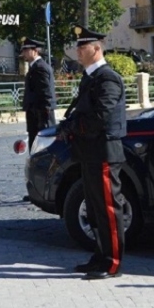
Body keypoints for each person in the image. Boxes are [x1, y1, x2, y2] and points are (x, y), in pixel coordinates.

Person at [58, 24, 126, 280]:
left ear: (96, 49)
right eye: (77, 46)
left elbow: (101, 117)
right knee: (95, 209)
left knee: (109, 209)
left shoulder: (107, 78)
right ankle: (100, 256)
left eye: (82, 46)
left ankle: (113, 263)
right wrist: (68, 125)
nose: (78, 50)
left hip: (104, 152)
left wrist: (74, 126)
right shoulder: (91, 77)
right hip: (90, 153)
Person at [20, 38, 56, 151]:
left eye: (26, 50)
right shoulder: (35, 67)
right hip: (35, 113)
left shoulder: (40, 67)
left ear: (35, 51)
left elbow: (46, 92)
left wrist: (45, 112)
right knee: (35, 144)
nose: (24, 53)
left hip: (41, 115)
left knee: (43, 145)